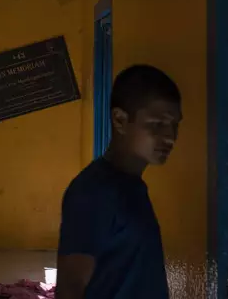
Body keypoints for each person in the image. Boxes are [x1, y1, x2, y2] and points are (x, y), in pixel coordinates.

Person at [56, 65, 182, 299]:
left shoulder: (131, 186)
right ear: (120, 120)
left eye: (175, 125)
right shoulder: (93, 192)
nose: (170, 137)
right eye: (157, 124)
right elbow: (70, 288)